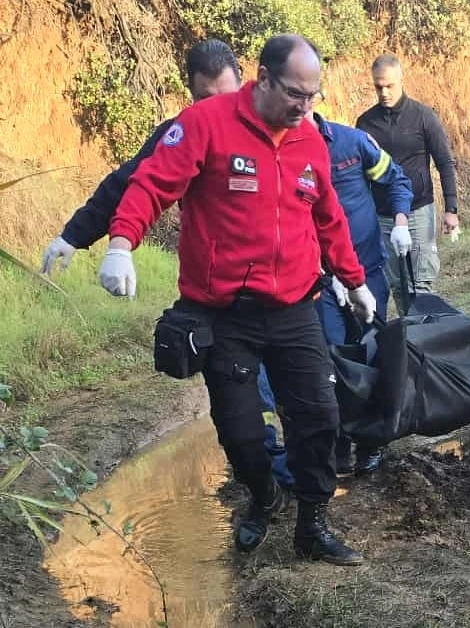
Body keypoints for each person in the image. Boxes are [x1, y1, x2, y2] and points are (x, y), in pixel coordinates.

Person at [97, 34, 375, 565]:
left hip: (295, 308)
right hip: (226, 315)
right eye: (295, 93)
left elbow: (328, 217)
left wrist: (355, 280)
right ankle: (263, 496)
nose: (304, 106)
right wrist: (120, 243)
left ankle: (312, 526)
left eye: (313, 96)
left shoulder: (309, 139)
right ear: (263, 79)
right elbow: (152, 183)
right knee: (241, 430)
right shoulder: (206, 124)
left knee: (317, 417)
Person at [258, 110, 414, 480]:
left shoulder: (353, 143)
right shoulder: (274, 151)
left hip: (368, 270)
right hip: (319, 281)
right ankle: (341, 439)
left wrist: (402, 221)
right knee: (330, 358)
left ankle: (372, 443)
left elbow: (397, 181)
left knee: (371, 351)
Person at [40, 39, 242, 273]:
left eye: (227, 99)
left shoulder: (276, 126)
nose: (218, 111)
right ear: (192, 94)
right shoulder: (180, 133)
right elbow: (130, 183)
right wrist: (74, 235)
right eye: (207, 101)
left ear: (241, 78)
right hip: (208, 282)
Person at [356, 54, 459, 311]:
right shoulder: (365, 123)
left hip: (419, 210)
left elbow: (444, 161)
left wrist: (451, 208)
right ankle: (409, 345)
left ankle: (429, 339)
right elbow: (361, 172)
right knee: (399, 287)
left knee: (421, 286)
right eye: (378, 86)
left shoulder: (424, 116)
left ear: (401, 80)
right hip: (383, 215)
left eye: (389, 85)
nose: (384, 92)